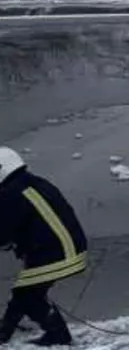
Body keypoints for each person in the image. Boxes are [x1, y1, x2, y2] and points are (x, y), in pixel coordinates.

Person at [0, 148, 87, 347]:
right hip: (68, 246)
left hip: (57, 253)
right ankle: (5, 330)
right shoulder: (33, 183)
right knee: (25, 291)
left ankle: (58, 335)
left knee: (29, 296)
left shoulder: (10, 194)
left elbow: (3, 231)